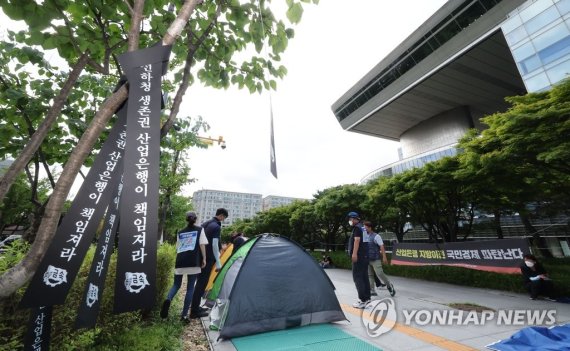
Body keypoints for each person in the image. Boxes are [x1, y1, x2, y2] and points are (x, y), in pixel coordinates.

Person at [160, 211, 207, 322]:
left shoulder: (180, 232)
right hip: (193, 261)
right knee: (190, 288)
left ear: (186, 219)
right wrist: (204, 258)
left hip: (180, 261)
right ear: (195, 219)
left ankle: (168, 299)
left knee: (176, 285)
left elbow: (178, 248)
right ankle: (184, 316)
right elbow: (202, 245)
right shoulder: (200, 230)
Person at [189, 208, 228, 318]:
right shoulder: (216, 226)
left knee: (199, 283)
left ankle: (195, 307)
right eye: (224, 218)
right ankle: (194, 312)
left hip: (200, 257)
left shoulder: (205, 223)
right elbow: (214, 245)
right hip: (208, 259)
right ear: (221, 215)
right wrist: (219, 262)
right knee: (202, 284)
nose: (223, 220)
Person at [363, 221, 395, 297]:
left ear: (370, 227)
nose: (364, 229)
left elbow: (382, 246)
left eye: (365, 227)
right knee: (370, 275)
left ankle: (389, 285)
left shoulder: (376, 236)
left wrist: (384, 257)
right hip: (367, 259)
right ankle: (372, 290)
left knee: (379, 273)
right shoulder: (364, 236)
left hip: (375, 259)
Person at [347, 211, 371, 308]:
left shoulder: (357, 228)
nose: (349, 221)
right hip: (365, 256)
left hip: (359, 257)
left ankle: (362, 300)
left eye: (350, 219)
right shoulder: (363, 228)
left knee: (357, 278)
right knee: (365, 277)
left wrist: (354, 254)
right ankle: (367, 298)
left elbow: (357, 241)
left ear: (354, 219)